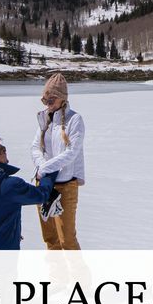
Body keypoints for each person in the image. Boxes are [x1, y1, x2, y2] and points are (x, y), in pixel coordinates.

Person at [0, 135, 58, 250]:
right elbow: (41, 195)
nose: (6, 155)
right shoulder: (10, 185)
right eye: (3, 150)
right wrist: (49, 171)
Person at [31, 73, 85, 250]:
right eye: (45, 99)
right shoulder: (44, 119)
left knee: (67, 240)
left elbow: (71, 153)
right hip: (44, 184)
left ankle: (78, 278)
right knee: (51, 239)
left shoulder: (74, 120)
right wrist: (42, 168)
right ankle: (57, 277)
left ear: (62, 98)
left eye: (51, 99)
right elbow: (35, 148)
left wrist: (45, 167)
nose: (48, 103)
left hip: (65, 186)